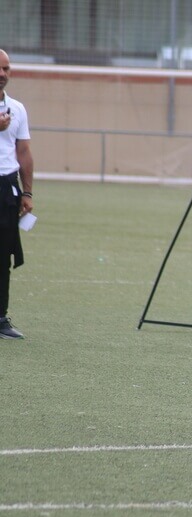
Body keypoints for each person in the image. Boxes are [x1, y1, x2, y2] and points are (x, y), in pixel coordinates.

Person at [0, 49, 33, 340]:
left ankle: (0, 318)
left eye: (7, 68)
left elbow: (23, 152)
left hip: (7, 188)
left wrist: (27, 192)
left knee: (3, 255)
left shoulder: (17, 109)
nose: (2, 74)